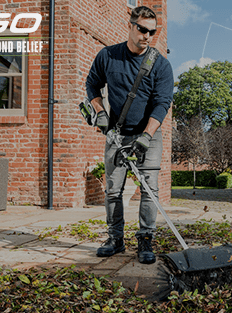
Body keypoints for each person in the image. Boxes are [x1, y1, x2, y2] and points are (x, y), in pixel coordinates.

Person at [85, 6, 174, 264]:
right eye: (142, 29)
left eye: (152, 32)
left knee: (149, 189)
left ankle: (145, 239)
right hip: (116, 134)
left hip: (148, 135)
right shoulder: (108, 56)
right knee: (113, 190)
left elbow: (162, 103)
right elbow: (92, 83)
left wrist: (146, 136)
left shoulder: (160, 65)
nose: (147, 36)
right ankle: (115, 239)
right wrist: (100, 111)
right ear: (131, 26)